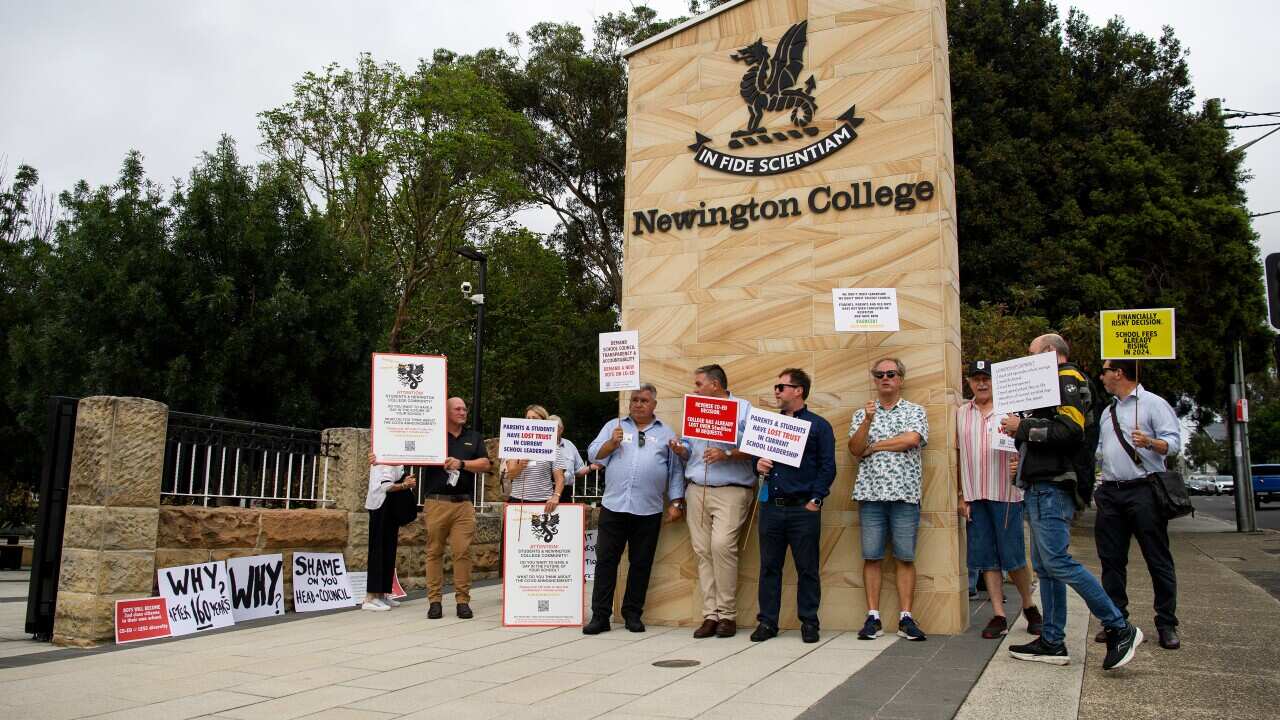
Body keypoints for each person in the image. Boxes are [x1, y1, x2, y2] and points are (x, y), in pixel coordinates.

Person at [1001, 334, 1143, 670]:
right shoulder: (1053, 384)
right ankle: (1052, 640)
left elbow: (1069, 430)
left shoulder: (1066, 378)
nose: (1028, 358)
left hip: (1054, 486)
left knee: (1058, 562)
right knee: (1048, 569)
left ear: (1050, 353)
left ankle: (1119, 627)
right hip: (1043, 484)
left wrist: (1022, 427)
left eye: (1031, 352)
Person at [1095, 359, 1182, 649]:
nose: (1101, 376)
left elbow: (1173, 443)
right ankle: (1116, 620)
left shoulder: (1154, 404)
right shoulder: (1108, 412)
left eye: (1105, 371)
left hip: (1144, 489)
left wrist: (1150, 442)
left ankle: (1166, 623)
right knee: (1111, 560)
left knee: (1157, 558)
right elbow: (1101, 449)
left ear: (1118, 373)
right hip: (1111, 491)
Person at [584, 384, 685, 634]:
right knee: (606, 561)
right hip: (614, 506)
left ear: (654, 405)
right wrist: (610, 444)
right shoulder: (614, 426)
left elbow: (674, 471)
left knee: (641, 563)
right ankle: (600, 616)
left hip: (649, 510)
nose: (638, 404)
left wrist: (676, 501)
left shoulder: (665, 432)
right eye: (634, 400)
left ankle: (632, 614)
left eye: (644, 400)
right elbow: (593, 455)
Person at [667, 364, 754, 638]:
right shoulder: (695, 409)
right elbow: (690, 450)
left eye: (698, 384)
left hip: (731, 488)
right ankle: (711, 615)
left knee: (722, 546)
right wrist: (681, 449)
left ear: (715, 385)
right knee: (703, 551)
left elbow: (756, 446)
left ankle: (728, 614)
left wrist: (727, 451)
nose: (694, 389)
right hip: (697, 488)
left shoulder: (743, 408)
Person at [956, 360, 1042, 638]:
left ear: (996, 381)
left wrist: (1023, 465)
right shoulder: (960, 413)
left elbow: (1030, 447)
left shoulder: (1013, 411)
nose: (981, 384)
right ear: (968, 381)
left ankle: (1029, 606)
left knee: (1013, 556)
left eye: (987, 378)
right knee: (987, 559)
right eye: (976, 378)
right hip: (975, 494)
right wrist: (961, 494)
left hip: (1006, 494)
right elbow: (957, 455)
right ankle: (998, 614)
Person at [847, 358, 930, 642]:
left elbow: (910, 440)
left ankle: (906, 617)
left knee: (905, 557)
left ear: (900, 378)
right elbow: (856, 449)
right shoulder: (862, 414)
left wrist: (876, 445)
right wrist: (868, 421)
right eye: (879, 374)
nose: (885, 378)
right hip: (870, 495)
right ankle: (873, 616)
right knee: (872, 556)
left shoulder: (915, 411)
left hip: (905, 495)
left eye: (890, 374)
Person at [751, 368, 836, 644]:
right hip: (772, 507)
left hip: (803, 509)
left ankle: (809, 622)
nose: (776, 391)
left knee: (807, 568)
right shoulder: (767, 425)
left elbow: (827, 467)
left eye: (781, 386)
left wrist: (816, 499)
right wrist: (758, 465)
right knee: (769, 567)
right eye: (776, 387)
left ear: (798, 390)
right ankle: (767, 622)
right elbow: (757, 461)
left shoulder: (819, 425)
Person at [421, 397, 492, 620]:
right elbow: (405, 452)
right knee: (434, 552)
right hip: (436, 502)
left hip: (463, 504)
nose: (462, 412)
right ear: (447, 412)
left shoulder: (474, 437)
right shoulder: (433, 436)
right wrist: (381, 456)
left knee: (462, 552)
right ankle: (434, 601)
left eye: (464, 409)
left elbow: (486, 464)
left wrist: (461, 464)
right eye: (457, 409)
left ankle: (463, 601)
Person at [364, 451, 415, 611]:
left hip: (390, 506)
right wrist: (405, 485)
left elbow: (398, 476)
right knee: (378, 549)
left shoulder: (395, 456)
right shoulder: (382, 456)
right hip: (380, 505)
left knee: (389, 549)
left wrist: (404, 481)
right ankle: (370, 597)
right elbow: (385, 486)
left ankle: (383, 593)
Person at [504, 404, 567, 515]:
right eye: (528, 418)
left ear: (544, 421)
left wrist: (556, 496)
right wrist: (521, 465)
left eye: (535, 418)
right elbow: (510, 475)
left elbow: (560, 478)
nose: (530, 421)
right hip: (518, 500)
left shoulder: (552, 446)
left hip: (544, 503)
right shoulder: (515, 442)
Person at [550, 414, 601, 504]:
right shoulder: (540, 446)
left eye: (554, 427)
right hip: (545, 490)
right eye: (549, 427)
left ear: (561, 430)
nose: (551, 430)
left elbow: (578, 471)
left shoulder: (569, 445)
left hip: (566, 491)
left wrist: (591, 467)